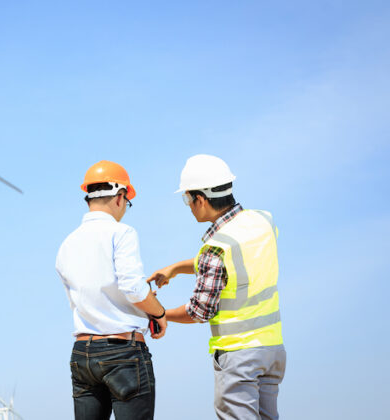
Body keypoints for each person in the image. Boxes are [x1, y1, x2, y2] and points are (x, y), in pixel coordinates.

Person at [148, 154, 286, 420]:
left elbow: (199, 311)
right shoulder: (262, 222)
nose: (188, 206)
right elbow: (233, 261)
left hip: (239, 356)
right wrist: (176, 268)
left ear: (200, 199)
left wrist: (161, 314)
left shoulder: (216, 247)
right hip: (272, 351)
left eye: (187, 199)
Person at [56, 160, 168, 420]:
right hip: (123, 353)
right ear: (120, 196)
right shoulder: (121, 232)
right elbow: (133, 288)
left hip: (82, 354)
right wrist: (159, 313)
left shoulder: (67, 244)